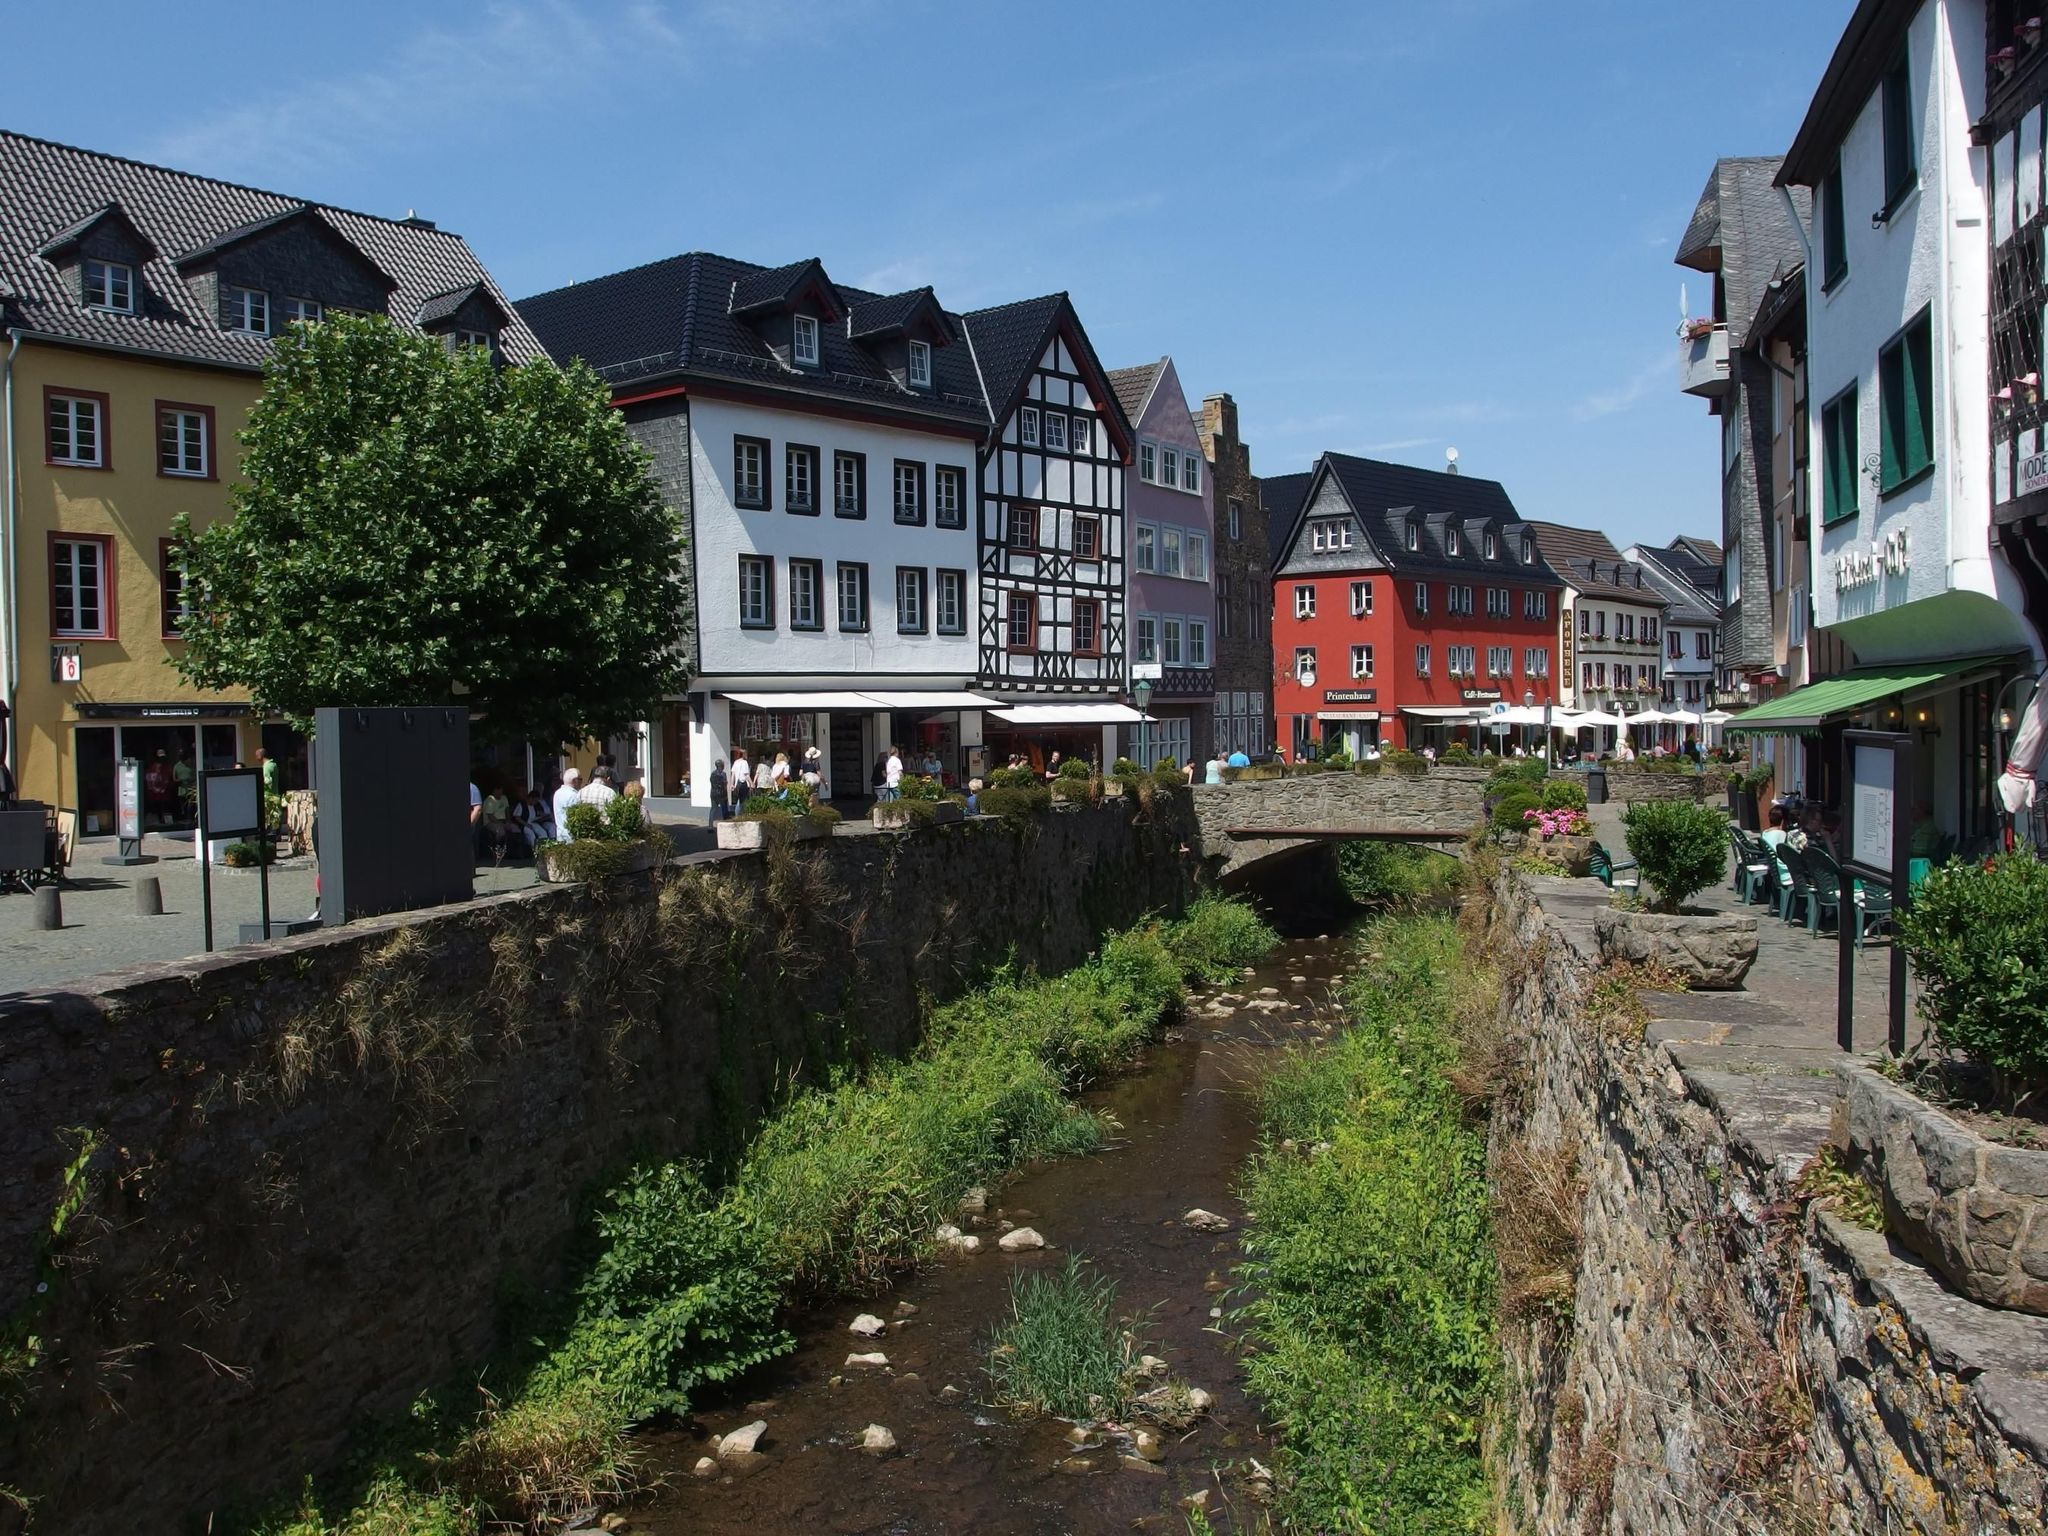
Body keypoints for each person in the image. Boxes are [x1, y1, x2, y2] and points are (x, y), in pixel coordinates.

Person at [552, 768, 583, 841]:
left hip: (560, 834)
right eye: (580, 779)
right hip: (572, 836)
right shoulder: (574, 795)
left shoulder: (557, 793)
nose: (582, 782)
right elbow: (577, 817)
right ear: (574, 780)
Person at [710, 755, 729, 819]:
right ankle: (724, 821)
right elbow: (723, 784)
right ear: (720, 765)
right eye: (722, 765)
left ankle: (711, 825)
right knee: (719, 808)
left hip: (718, 794)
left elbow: (724, 783)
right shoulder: (718, 774)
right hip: (718, 794)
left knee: (716, 809)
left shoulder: (719, 773)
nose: (723, 766)